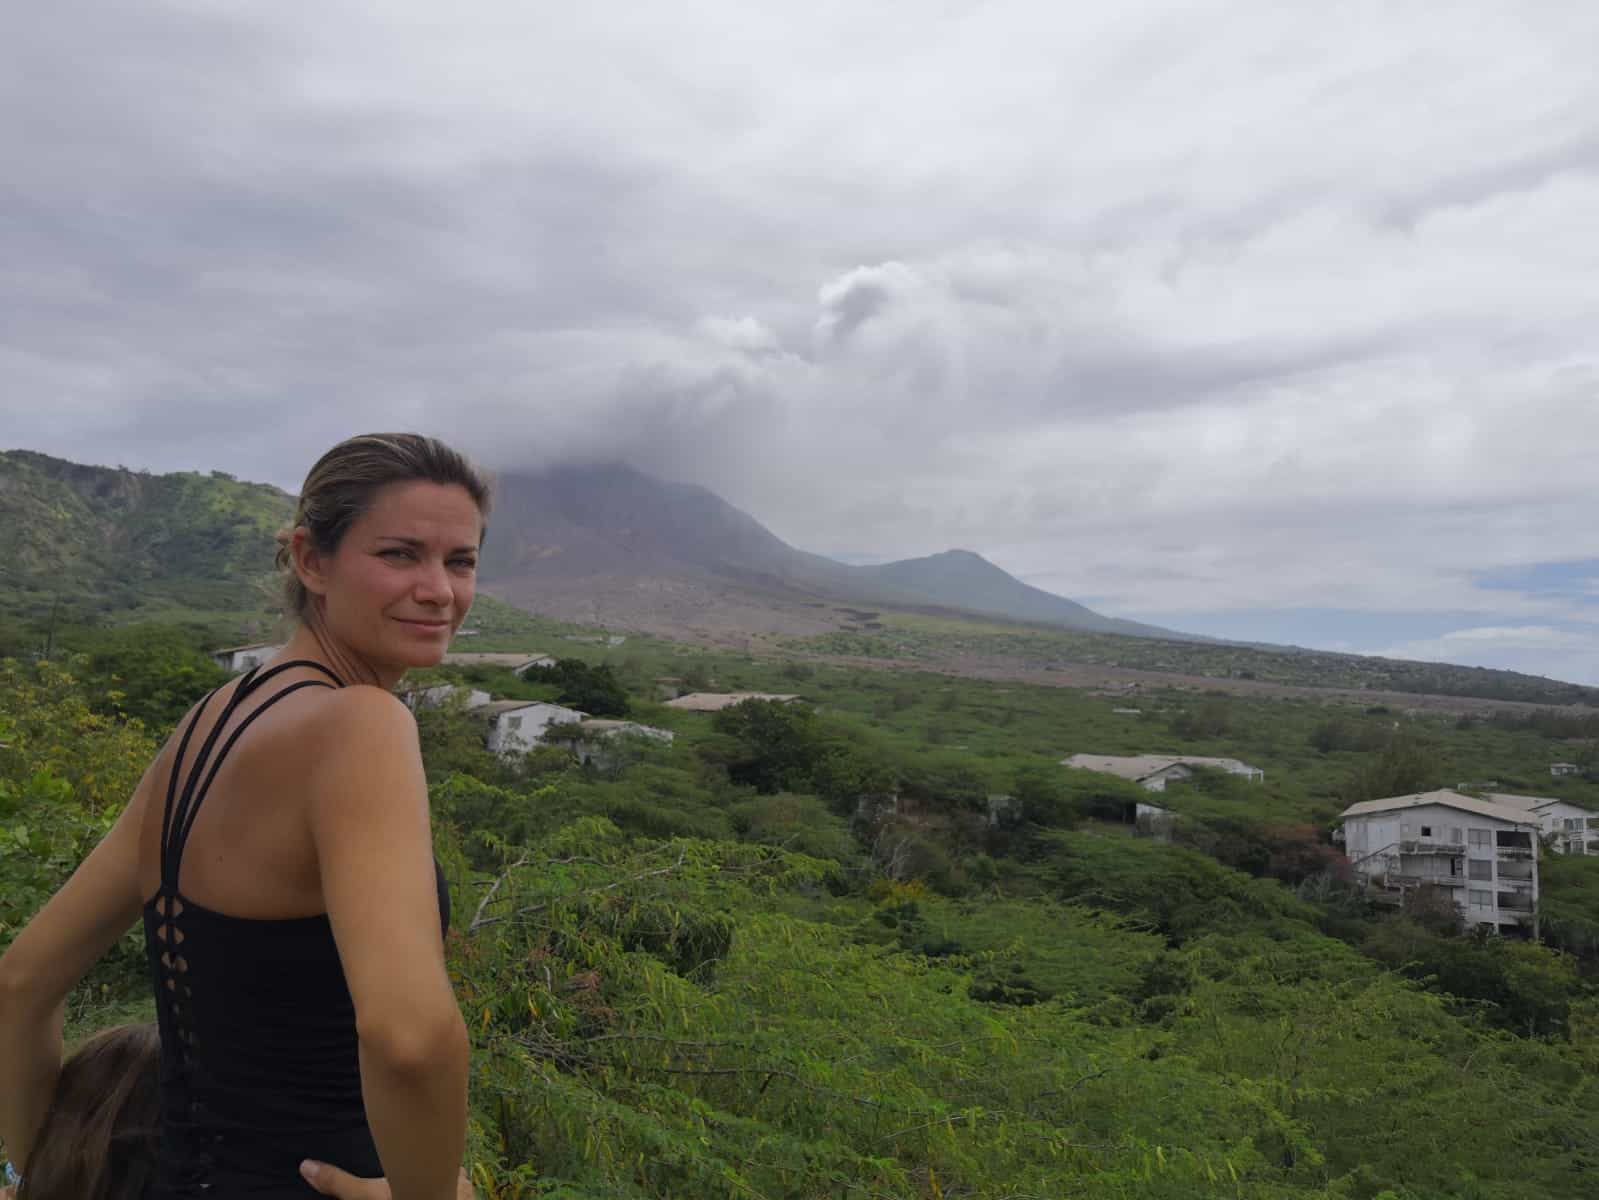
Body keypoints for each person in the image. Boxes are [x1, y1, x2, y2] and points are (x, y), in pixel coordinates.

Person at [0, 434, 487, 1198]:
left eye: (460, 561)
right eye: (399, 554)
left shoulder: (212, 719)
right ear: (311, 560)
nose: (438, 590)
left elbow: (22, 983)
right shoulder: (361, 724)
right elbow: (410, 1038)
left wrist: (38, 1171)